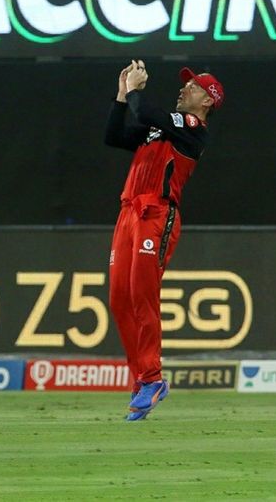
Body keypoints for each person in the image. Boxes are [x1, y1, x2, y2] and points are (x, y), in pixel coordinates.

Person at [104, 59, 224, 421]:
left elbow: (149, 115)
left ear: (207, 101)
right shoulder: (163, 129)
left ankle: (153, 379)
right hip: (129, 212)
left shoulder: (193, 128)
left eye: (193, 87)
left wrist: (139, 91)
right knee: (119, 299)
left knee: (142, 294)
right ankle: (141, 379)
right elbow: (116, 136)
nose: (184, 88)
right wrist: (123, 95)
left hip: (157, 214)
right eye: (187, 84)